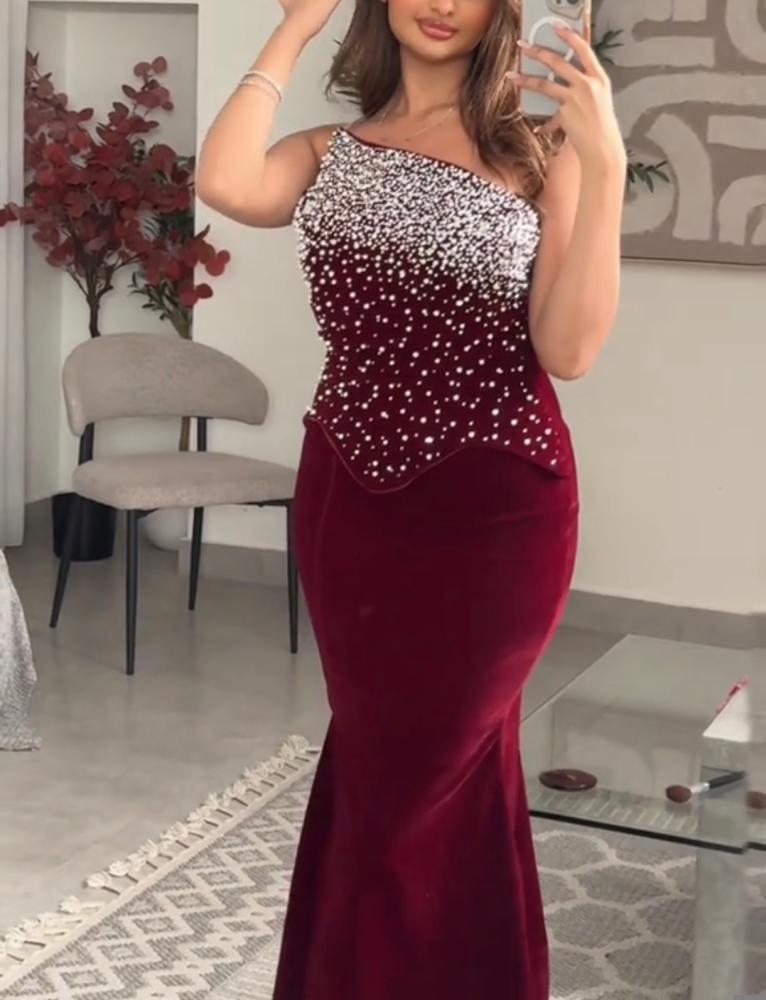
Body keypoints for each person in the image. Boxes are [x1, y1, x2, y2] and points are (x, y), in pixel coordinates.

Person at [197, 0, 625, 993]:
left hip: (496, 513)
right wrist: (294, 26)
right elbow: (223, 180)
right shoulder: (329, 152)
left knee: (418, 775)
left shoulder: (540, 153)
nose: (441, 3)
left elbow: (568, 349)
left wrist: (602, 163)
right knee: (388, 764)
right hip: (350, 504)